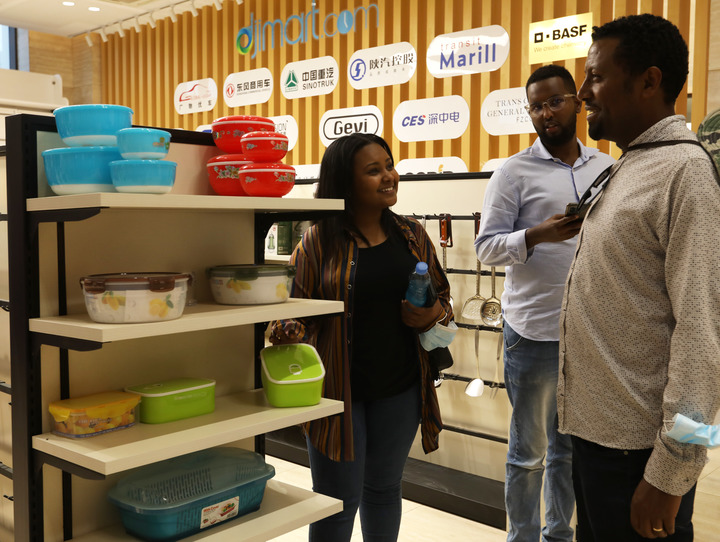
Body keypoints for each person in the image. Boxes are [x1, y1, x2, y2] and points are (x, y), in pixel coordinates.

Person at [559, 13, 720, 541]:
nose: (583, 93)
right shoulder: (633, 164)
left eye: (596, 77)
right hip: (599, 438)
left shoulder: (684, 173)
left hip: (640, 455)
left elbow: (703, 335)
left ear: (650, 81)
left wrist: (673, 471)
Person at [269, 133, 453, 542]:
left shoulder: (412, 235)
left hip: (400, 389)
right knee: (336, 501)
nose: (389, 176)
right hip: (338, 394)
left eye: (389, 165)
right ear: (346, 183)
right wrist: (285, 329)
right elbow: (291, 313)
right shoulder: (318, 242)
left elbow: (443, 298)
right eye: (374, 170)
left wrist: (431, 314)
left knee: (384, 490)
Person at [475, 64, 615, 542]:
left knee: (568, 450)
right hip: (532, 331)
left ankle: (559, 534)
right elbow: (486, 247)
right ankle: (522, 537)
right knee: (527, 454)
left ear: (576, 101)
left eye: (555, 101)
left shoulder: (606, 168)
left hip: (588, 333)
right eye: (536, 106)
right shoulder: (513, 171)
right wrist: (536, 235)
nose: (546, 113)